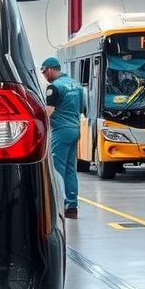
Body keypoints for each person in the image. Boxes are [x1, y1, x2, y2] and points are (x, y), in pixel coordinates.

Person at [41, 56, 85, 219]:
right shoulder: (77, 85)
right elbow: (82, 109)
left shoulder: (54, 87)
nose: (45, 76)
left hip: (60, 131)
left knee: (57, 169)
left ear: (51, 70)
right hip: (74, 129)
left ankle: (58, 204)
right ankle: (72, 205)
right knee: (71, 169)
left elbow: (48, 111)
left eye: (45, 72)